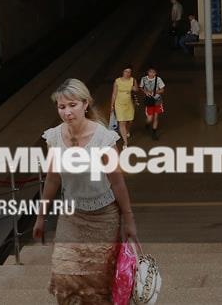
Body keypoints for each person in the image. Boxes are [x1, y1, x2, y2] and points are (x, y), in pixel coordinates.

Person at [34, 78, 140, 304]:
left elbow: (117, 182)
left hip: (104, 217)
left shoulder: (103, 139)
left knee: (97, 285)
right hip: (71, 216)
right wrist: (41, 217)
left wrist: (129, 219)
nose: (67, 112)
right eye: (62, 107)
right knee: (64, 276)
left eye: (72, 105)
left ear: (85, 104)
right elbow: (52, 178)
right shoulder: (54, 138)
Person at [111, 67, 137, 146]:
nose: (127, 73)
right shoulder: (117, 81)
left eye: (129, 72)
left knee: (130, 120)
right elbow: (114, 94)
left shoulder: (133, 80)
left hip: (129, 103)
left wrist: (134, 86)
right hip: (119, 104)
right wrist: (112, 105)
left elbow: (136, 89)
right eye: (126, 71)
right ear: (122, 72)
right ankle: (125, 142)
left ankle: (127, 130)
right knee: (122, 122)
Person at [138, 67, 166, 138]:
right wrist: (145, 92)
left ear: (155, 73)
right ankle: (147, 124)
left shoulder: (158, 79)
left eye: (153, 72)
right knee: (149, 118)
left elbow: (162, 90)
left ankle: (154, 133)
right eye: (150, 72)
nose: (152, 74)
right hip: (149, 101)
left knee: (155, 117)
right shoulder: (144, 79)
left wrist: (154, 92)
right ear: (148, 72)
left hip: (157, 100)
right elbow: (141, 87)